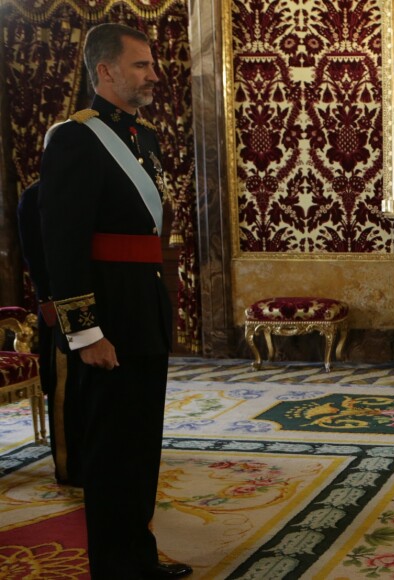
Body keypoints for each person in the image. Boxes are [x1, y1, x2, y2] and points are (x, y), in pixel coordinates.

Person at [38, 23, 191, 579]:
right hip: (104, 314)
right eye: (141, 65)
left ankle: (137, 557)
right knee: (109, 449)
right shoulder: (74, 138)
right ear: (104, 71)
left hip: (142, 304)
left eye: (151, 65)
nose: (154, 74)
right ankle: (116, 567)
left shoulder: (141, 136)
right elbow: (62, 240)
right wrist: (85, 331)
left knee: (140, 442)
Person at [17, 122, 83, 487]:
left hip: (87, 300)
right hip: (55, 303)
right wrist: (45, 298)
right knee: (62, 386)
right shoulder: (34, 195)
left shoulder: (83, 194)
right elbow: (33, 254)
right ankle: (67, 464)